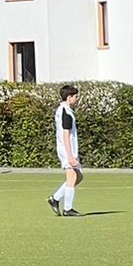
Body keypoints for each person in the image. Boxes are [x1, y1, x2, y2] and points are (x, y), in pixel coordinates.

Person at [49, 85, 84, 217]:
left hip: (70, 149)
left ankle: (55, 198)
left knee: (79, 177)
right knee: (72, 177)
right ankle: (67, 208)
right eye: (76, 97)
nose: (77, 99)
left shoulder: (65, 110)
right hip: (66, 149)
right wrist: (70, 156)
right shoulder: (65, 112)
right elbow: (65, 135)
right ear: (69, 97)